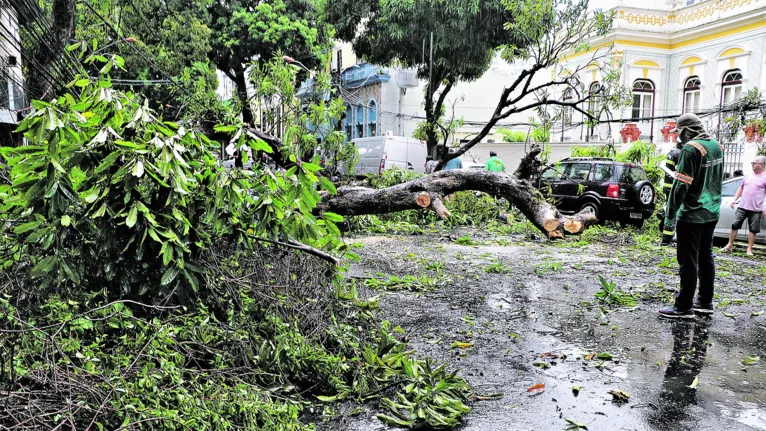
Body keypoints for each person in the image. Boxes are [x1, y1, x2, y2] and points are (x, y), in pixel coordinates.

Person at [659, 113, 724, 319]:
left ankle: (684, 305)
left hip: (692, 214)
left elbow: (680, 187)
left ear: (687, 130)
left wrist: (670, 216)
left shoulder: (690, 149)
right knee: (706, 256)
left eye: (679, 132)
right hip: (712, 211)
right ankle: (705, 301)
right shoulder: (716, 145)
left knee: (688, 260)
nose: (679, 137)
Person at [720, 156, 766, 256]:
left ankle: (749, 249)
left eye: (755, 163)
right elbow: (741, 188)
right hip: (742, 206)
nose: (753, 165)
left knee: (753, 229)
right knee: (735, 225)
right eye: (752, 163)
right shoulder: (748, 175)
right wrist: (734, 200)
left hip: (756, 208)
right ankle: (729, 245)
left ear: (762, 165)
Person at [659, 138, 683, 243]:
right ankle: (668, 237)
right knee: (674, 212)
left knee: (669, 209)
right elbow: (680, 171)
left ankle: (664, 232)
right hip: (674, 187)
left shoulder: (672, 152)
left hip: (667, 186)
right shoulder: (679, 154)